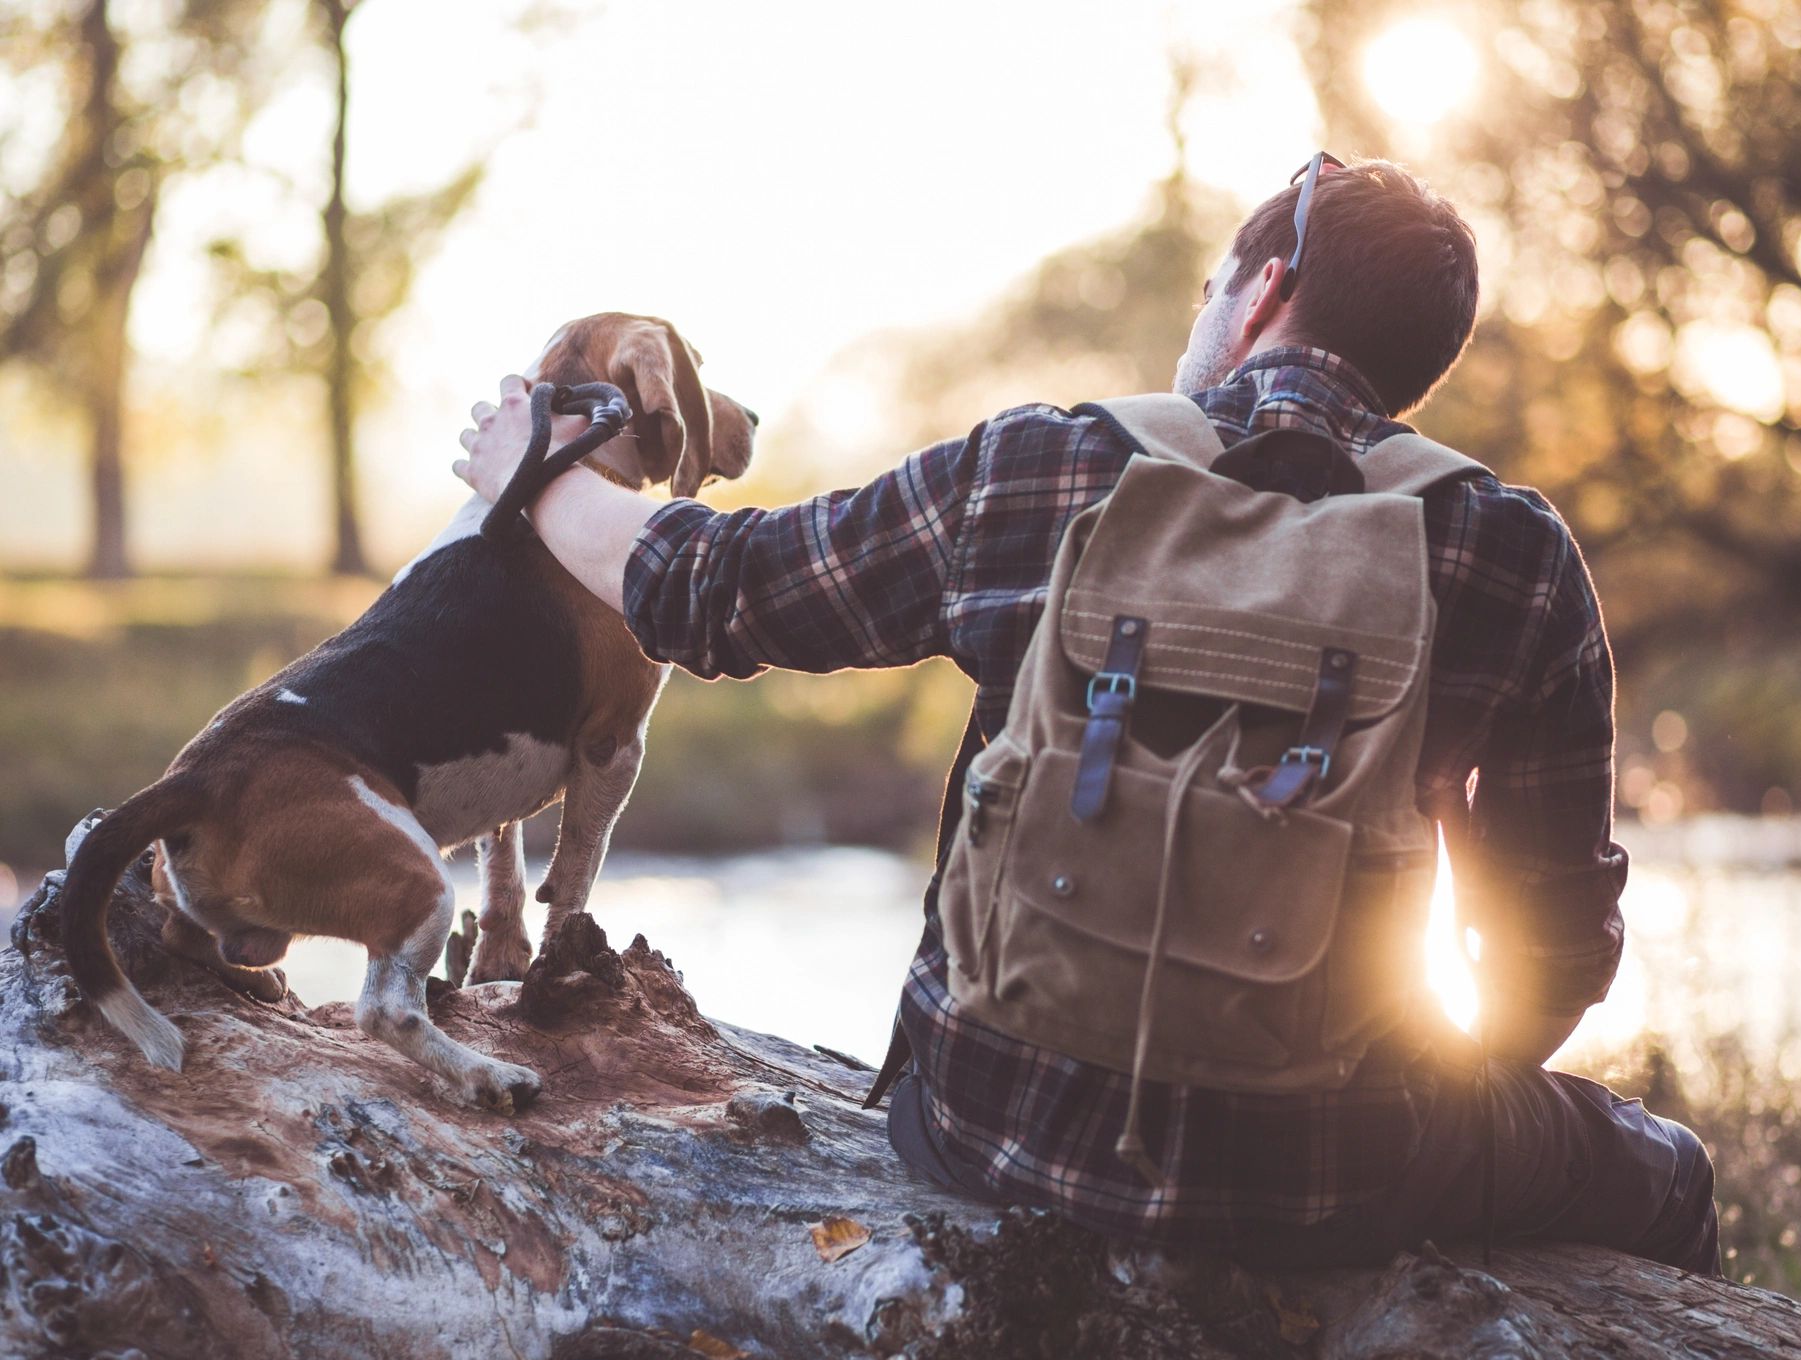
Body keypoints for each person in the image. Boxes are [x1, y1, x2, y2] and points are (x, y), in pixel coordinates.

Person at [453, 156, 1721, 1277]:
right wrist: (1376, 1083)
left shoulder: (1042, 467)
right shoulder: (1509, 552)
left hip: (986, 1121)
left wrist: (536, 468)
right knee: (1669, 1171)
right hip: (1342, 1172)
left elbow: (715, 590)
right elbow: (1553, 952)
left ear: (1262, 288)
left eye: (1204, 295)